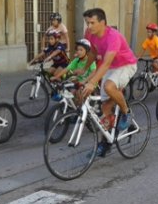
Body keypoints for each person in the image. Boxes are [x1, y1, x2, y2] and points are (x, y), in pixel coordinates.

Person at [80, 8, 138, 157]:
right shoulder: (91, 35)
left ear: (103, 23)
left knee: (108, 86)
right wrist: (84, 70)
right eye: (87, 23)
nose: (89, 26)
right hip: (112, 68)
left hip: (126, 65)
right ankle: (106, 143)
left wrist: (92, 82)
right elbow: (92, 53)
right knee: (105, 108)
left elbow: (105, 63)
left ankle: (127, 113)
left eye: (92, 23)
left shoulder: (113, 36)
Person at [51, 39, 97, 104]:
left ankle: (80, 110)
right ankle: (76, 105)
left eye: (81, 50)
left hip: (90, 82)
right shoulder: (76, 60)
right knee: (70, 89)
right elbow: (67, 69)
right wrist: (56, 77)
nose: (78, 52)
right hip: (80, 81)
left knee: (80, 92)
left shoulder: (90, 61)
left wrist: (84, 81)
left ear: (87, 51)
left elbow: (93, 73)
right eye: (77, 50)